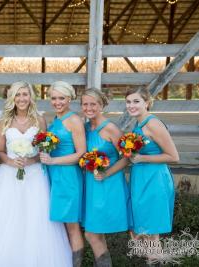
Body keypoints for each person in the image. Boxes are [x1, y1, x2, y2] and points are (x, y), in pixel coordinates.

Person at [0, 81, 72, 267]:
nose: (21, 99)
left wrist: (32, 159)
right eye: (18, 95)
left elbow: (44, 149)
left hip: (35, 175)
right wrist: (11, 161)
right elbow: (0, 151)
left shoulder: (39, 120)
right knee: (4, 220)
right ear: (12, 97)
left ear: (31, 97)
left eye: (25, 94)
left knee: (35, 220)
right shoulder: (4, 121)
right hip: (8, 176)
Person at [126, 87, 178, 261]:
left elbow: (173, 156)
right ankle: (152, 257)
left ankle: (156, 259)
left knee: (150, 225)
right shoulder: (139, 123)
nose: (131, 105)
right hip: (140, 178)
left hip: (154, 178)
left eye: (136, 101)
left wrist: (141, 157)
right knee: (142, 223)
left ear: (147, 103)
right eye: (128, 102)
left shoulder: (152, 123)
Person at [80, 88, 130, 267]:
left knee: (91, 233)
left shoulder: (111, 129)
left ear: (101, 105)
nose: (88, 108)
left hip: (108, 185)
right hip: (91, 185)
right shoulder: (85, 128)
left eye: (93, 104)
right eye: (85, 104)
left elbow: (127, 157)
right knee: (94, 232)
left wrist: (106, 173)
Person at [39, 81, 86, 266]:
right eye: (53, 98)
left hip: (68, 177)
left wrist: (53, 161)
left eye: (61, 98)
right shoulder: (56, 120)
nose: (57, 102)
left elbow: (81, 152)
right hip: (54, 175)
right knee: (61, 225)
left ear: (69, 98)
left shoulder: (74, 120)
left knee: (71, 225)